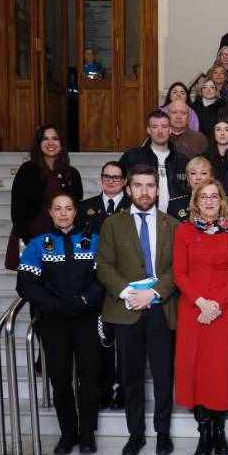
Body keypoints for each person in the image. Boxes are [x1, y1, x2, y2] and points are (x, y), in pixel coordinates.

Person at [96, 164, 180, 455]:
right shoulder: (112, 224)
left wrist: (153, 292)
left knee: (163, 374)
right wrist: (129, 293)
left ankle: (163, 432)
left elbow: (178, 267)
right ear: (128, 189)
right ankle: (136, 434)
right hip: (126, 309)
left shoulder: (172, 224)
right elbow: (104, 265)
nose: (145, 192)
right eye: (139, 186)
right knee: (130, 375)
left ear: (157, 190)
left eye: (150, 186)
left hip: (161, 309)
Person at [17, 193, 103, 455]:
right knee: (60, 380)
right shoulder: (37, 244)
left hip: (87, 319)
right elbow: (25, 285)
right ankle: (68, 434)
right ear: (50, 213)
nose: (63, 213)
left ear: (76, 212)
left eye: (68, 208)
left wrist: (84, 300)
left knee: (89, 379)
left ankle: (87, 435)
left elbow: (104, 278)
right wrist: (54, 304)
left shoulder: (94, 241)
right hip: (54, 322)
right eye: (58, 208)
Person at [172, 179, 228, 455]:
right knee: (197, 369)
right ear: (196, 202)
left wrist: (216, 304)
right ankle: (204, 430)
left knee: (221, 369)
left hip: (224, 310)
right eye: (204, 197)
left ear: (222, 201)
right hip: (194, 308)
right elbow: (179, 273)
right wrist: (201, 302)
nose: (209, 201)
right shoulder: (184, 231)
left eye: (214, 196)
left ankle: (219, 429)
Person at [77, 161, 130, 408]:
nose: (111, 181)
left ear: (125, 182)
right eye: (107, 176)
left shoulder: (134, 206)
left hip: (126, 283)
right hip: (95, 284)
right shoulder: (84, 207)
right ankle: (104, 388)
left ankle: (123, 389)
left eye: (116, 177)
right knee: (101, 340)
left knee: (126, 344)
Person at [8, 125, 83, 272]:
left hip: (61, 237)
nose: (50, 143)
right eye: (45, 139)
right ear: (38, 143)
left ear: (61, 143)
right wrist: (31, 242)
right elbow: (17, 211)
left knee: (59, 278)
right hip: (30, 235)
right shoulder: (27, 171)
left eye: (55, 138)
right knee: (29, 278)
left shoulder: (72, 173)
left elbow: (76, 209)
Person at [119, 111, 189, 212]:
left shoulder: (183, 161)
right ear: (148, 130)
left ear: (170, 130)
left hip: (176, 217)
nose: (160, 131)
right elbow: (120, 185)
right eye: (155, 127)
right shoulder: (132, 156)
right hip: (142, 214)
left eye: (164, 127)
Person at [166, 157, 213, 221]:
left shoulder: (223, 203)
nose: (198, 177)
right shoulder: (175, 205)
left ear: (211, 177)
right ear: (188, 178)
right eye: (193, 173)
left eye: (203, 173)